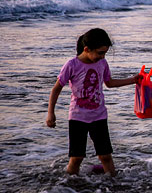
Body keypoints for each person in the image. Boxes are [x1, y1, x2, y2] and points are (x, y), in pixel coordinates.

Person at [46, 28, 142, 176]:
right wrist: (50, 113)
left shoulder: (102, 63)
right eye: (100, 53)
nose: (103, 57)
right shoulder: (72, 65)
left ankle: (113, 184)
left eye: (105, 53)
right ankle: (71, 186)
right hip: (78, 117)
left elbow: (109, 83)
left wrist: (133, 80)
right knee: (76, 157)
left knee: (105, 156)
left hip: (99, 115)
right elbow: (56, 89)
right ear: (86, 49)